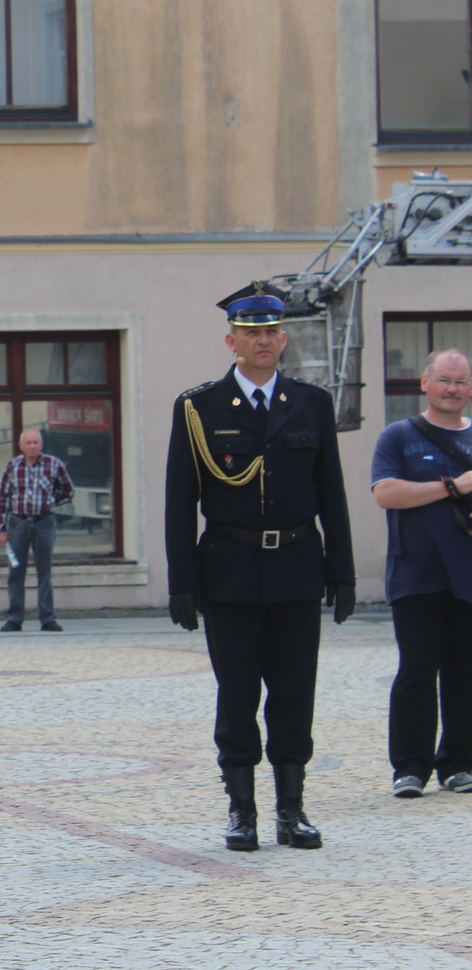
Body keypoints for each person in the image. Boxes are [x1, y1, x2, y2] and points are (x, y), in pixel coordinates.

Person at [165, 280, 355, 852]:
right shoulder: (198, 408)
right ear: (232, 341)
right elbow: (180, 501)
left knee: (295, 692)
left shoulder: (313, 404)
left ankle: (292, 809)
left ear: (284, 337)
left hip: (298, 565)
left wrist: (341, 573)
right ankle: (242, 809)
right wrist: (182, 584)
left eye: (272, 331)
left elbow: (333, 495)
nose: (263, 341)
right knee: (238, 692)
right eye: (252, 333)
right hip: (230, 570)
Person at [369, 347, 472, 798]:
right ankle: (410, 767)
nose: (453, 389)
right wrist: (452, 486)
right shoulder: (397, 437)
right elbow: (386, 493)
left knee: (464, 672)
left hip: (467, 577)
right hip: (414, 575)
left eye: (462, 381)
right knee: (416, 669)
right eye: (445, 380)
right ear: (424, 383)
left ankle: (460, 762)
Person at [0, 430, 74, 632]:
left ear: (41, 444)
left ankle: (48, 619)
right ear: (21, 446)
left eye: (35, 442)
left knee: (44, 572)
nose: (32, 446)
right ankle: (14, 618)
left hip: (44, 523)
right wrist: (2, 529)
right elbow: (2, 498)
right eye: (28, 443)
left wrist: (51, 501)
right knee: (16, 572)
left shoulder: (54, 464)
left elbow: (68, 490)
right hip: (18, 525)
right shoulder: (12, 467)